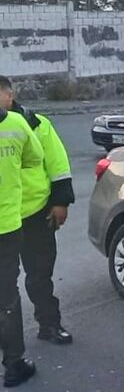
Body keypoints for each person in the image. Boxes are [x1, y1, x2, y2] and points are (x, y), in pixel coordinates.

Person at [0, 77, 75, 345]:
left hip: (35, 213)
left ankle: (49, 324)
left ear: (10, 95)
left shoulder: (37, 124)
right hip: (3, 221)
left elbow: (58, 164)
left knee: (40, 276)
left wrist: (60, 202)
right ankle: (9, 338)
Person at [0, 106, 43, 387]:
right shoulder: (15, 122)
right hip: (6, 226)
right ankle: (14, 365)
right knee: (6, 296)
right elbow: (34, 158)